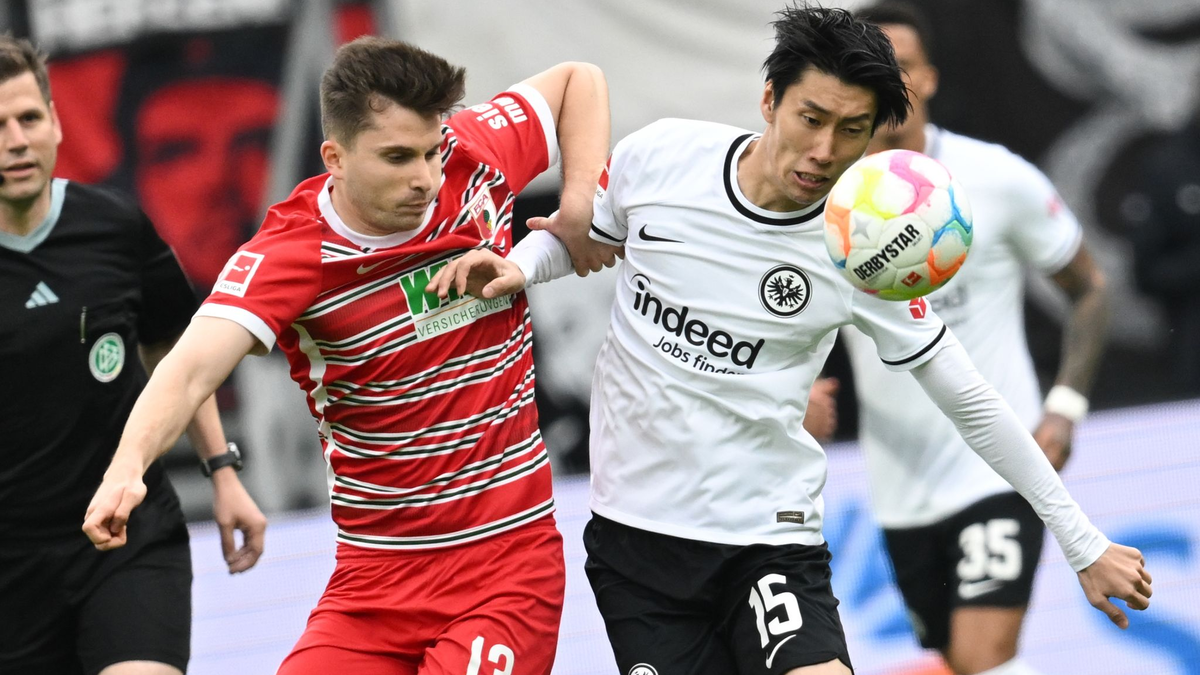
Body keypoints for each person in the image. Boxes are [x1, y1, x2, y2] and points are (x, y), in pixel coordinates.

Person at [428, 5, 1152, 675]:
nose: (823, 150)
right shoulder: (663, 159)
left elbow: (969, 398)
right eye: (811, 117)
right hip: (637, 545)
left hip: (767, 540)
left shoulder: (862, 254)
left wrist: (1083, 541)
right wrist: (519, 267)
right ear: (770, 98)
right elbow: (585, 240)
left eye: (851, 131)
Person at [82, 36, 612, 674]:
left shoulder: (474, 158)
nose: (425, 178)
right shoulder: (291, 254)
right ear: (334, 157)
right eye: (396, 158)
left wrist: (578, 203)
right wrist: (126, 469)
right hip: (374, 583)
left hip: (505, 568)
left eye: (431, 152)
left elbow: (577, 81)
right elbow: (191, 367)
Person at [805, 4, 1116, 673]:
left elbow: (1091, 285)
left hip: (999, 464)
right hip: (899, 485)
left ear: (932, 78)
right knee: (959, 660)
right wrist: (794, 388)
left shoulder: (995, 177)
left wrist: (1064, 406)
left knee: (983, 655)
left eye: (903, 68)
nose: (889, 83)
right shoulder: (827, 202)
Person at [0, 36, 266, 675]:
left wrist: (221, 470)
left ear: (58, 124)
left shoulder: (115, 224)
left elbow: (175, 349)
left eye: (30, 118)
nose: (15, 140)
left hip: (128, 540)